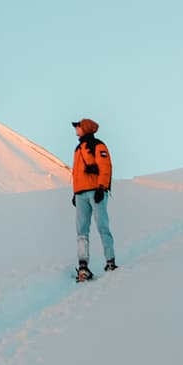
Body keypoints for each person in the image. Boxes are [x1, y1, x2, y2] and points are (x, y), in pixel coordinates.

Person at [70, 118, 116, 280]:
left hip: (96, 191)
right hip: (81, 193)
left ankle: (110, 262)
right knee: (81, 231)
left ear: (86, 129)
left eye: (78, 126)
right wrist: (75, 193)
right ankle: (83, 267)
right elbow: (76, 174)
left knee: (102, 226)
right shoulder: (78, 148)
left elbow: (105, 167)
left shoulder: (98, 145)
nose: (76, 129)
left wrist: (102, 187)